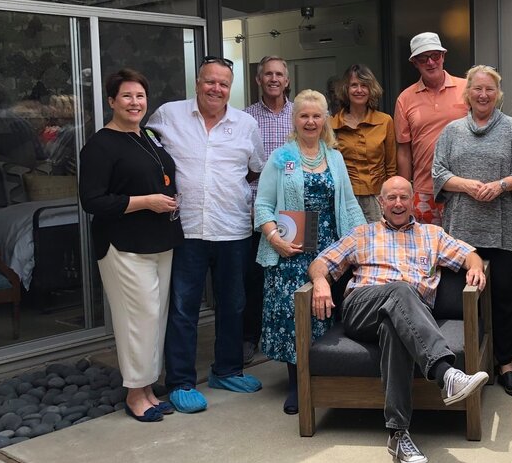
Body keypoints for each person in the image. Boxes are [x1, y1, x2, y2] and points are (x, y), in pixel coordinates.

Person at [308, 176, 490, 463]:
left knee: (395, 327)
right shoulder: (361, 234)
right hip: (362, 308)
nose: (398, 203)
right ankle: (446, 374)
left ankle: (398, 434)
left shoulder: (432, 235)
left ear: (412, 201)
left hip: (406, 317)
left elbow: (469, 254)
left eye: (404, 197)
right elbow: (321, 262)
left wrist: (476, 268)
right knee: (401, 289)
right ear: (381, 203)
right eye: (391, 198)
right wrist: (319, 282)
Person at [147, 56, 265, 413]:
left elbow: (256, 169)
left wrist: (227, 190)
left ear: (231, 88)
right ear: (197, 82)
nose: (216, 89)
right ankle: (181, 381)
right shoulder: (169, 115)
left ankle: (226, 370)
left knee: (233, 304)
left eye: (223, 84)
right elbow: (148, 152)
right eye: (210, 81)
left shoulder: (245, 124)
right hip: (186, 230)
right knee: (184, 308)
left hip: (233, 229)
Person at [79, 69, 183, 422]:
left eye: (140, 96)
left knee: (156, 319)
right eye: (126, 96)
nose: (135, 103)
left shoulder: (147, 136)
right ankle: (134, 394)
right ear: (112, 101)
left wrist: (167, 199)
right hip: (123, 245)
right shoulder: (100, 145)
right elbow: (92, 200)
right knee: (137, 320)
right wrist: (145, 201)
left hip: (159, 241)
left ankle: (149, 388)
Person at [255, 89, 365, 414]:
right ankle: (297, 383)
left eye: (316, 115)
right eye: (304, 115)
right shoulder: (281, 157)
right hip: (291, 249)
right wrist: (274, 238)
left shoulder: (335, 157)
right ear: (295, 119)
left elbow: (348, 203)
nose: (310, 121)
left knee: (328, 315)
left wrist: (361, 240)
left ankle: (327, 376)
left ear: (325, 120)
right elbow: (262, 205)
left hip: (330, 248)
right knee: (295, 317)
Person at [432, 65, 512, 396]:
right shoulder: (452, 132)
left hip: (503, 233)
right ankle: (466, 364)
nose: (483, 94)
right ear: (468, 93)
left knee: (504, 298)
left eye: (490, 89)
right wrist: (466, 185)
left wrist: (501, 185)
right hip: (462, 231)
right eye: (477, 88)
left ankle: (505, 365)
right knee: (463, 300)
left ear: (498, 93)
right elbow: (438, 172)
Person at [243, 56, 294, 362]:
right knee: (253, 276)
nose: (274, 79)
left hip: (292, 208)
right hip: (257, 208)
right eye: (268, 74)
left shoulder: (300, 115)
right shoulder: (245, 118)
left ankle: (289, 333)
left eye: (279, 74)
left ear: (287, 80)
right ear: (258, 80)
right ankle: (250, 337)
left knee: (289, 273)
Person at [394, 32, 467, 225]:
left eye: (435, 56)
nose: (431, 62)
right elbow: (404, 151)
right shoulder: (405, 99)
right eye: (423, 58)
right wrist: (404, 191)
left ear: (443, 56)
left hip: (464, 188)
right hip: (425, 192)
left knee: (463, 250)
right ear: (414, 63)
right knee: (426, 250)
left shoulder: (467, 89)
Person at [331, 64, 397, 223]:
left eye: (364, 85)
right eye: (354, 85)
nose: (359, 90)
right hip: (345, 198)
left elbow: (391, 166)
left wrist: (391, 197)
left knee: (378, 244)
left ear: (371, 89)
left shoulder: (385, 121)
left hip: (377, 198)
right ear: (346, 89)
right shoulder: (331, 125)